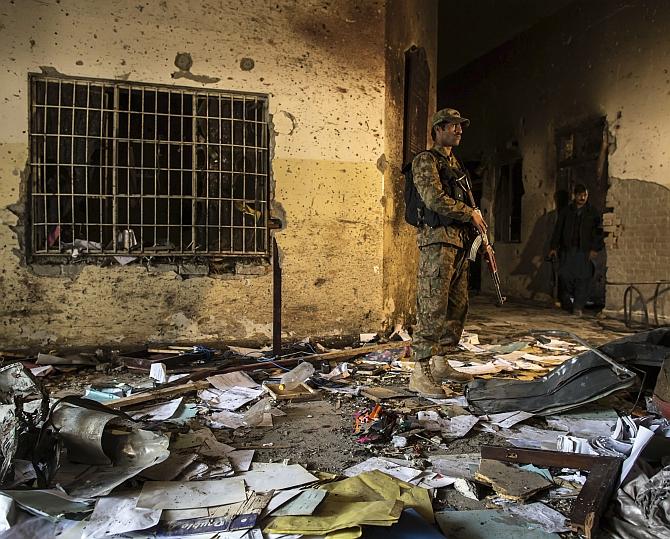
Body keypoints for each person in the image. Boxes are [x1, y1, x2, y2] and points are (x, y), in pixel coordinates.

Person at [409, 108, 488, 398]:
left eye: (461, 126)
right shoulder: (425, 160)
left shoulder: (456, 165)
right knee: (432, 306)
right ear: (438, 128)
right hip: (437, 242)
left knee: (457, 306)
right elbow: (433, 199)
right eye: (454, 126)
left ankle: (441, 362)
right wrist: (469, 213)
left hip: (458, 243)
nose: (459, 131)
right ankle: (420, 371)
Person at [548, 184, 604, 316]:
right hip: (568, 250)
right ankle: (567, 302)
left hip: (584, 251)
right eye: (580, 195)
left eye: (585, 195)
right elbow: (558, 230)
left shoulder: (592, 212)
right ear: (574, 195)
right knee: (565, 276)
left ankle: (578, 306)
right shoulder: (566, 212)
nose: (582, 197)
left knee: (583, 278)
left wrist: (595, 248)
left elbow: (598, 232)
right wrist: (553, 247)